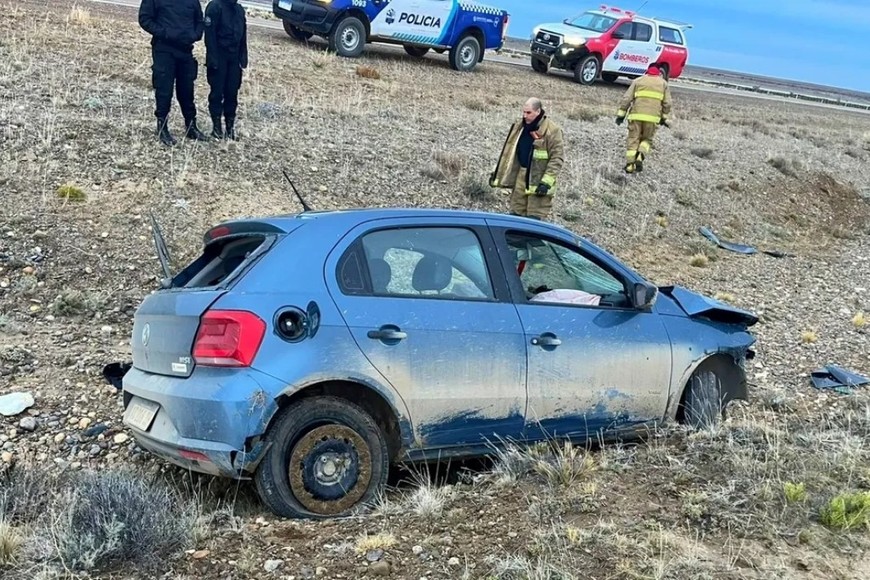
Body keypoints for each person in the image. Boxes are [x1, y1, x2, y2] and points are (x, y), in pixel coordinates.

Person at [138, 0, 209, 146]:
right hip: (164, 49)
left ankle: (191, 127)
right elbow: (144, 19)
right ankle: (162, 127)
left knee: (187, 90)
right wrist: (164, 33)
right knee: (164, 89)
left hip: (185, 49)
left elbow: (199, 21)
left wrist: (195, 34)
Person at [489, 98, 565, 221]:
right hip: (520, 177)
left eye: (528, 113)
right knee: (515, 219)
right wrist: (498, 174)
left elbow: (557, 159)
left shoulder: (552, 131)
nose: (525, 116)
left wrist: (546, 183)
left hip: (538, 182)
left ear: (538, 111)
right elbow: (509, 153)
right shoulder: (519, 127)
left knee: (534, 223)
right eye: (523, 112)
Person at [204, 0, 248, 140]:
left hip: (234, 58)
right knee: (217, 92)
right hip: (219, 55)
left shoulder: (239, 10)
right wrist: (212, 59)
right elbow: (209, 36)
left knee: (232, 92)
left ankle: (230, 128)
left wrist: (243, 56)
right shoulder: (215, 7)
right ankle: (216, 128)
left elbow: (243, 36)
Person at [615, 63, 672, 173]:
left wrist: (621, 115)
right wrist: (664, 117)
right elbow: (668, 103)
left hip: (636, 116)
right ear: (658, 72)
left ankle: (630, 166)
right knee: (647, 139)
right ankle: (640, 156)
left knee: (633, 139)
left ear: (648, 70)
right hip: (652, 118)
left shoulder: (638, 81)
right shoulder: (663, 84)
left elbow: (626, 98)